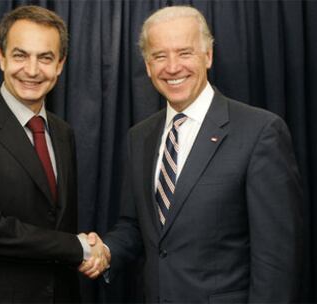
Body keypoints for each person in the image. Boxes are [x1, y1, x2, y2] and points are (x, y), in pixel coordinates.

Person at [80, 5, 304, 303]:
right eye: (159, 56)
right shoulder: (140, 137)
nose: (172, 67)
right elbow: (135, 226)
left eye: (185, 53)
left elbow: (276, 258)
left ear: (208, 56)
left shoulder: (260, 131)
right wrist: (105, 252)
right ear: (147, 66)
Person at [0, 5, 103, 303]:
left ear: (60, 64)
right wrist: (77, 247)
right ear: (1, 58)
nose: (32, 70)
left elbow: (56, 221)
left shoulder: (63, 133)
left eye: (45, 58)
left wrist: (83, 251)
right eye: (20, 55)